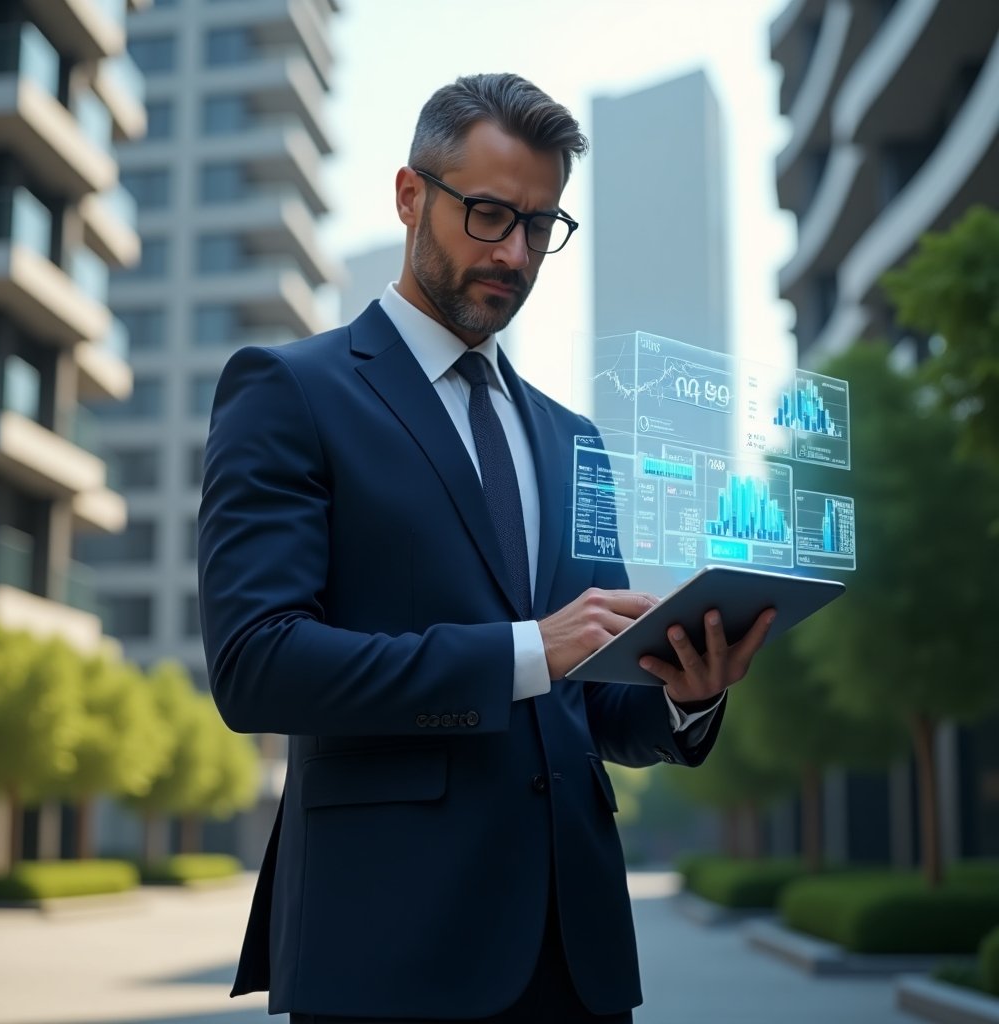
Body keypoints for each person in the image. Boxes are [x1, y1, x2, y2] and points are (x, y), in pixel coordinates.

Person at [198, 72, 774, 1024]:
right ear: (409, 196)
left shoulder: (573, 438)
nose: (515, 252)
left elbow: (598, 697)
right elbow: (257, 665)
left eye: (541, 226)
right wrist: (523, 650)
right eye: (490, 214)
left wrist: (686, 691)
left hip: (576, 955)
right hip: (389, 951)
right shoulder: (289, 391)